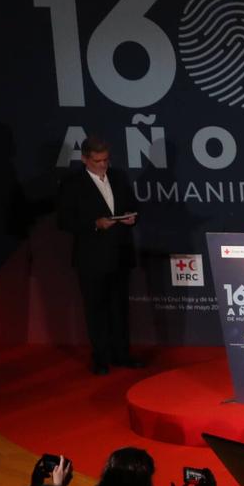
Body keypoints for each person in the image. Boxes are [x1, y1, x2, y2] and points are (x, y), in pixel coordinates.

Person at [55, 137, 140, 375]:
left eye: (105, 160)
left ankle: (121, 354)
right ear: (84, 159)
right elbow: (64, 221)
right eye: (97, 161)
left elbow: (132, 206)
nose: (103, 165)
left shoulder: (119, 177)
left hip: (120, 253)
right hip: (92, 258)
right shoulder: (72, 184)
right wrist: (95, 224)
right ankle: (100, 358)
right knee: (96, 309)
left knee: (119, 308)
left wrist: (131, 218)